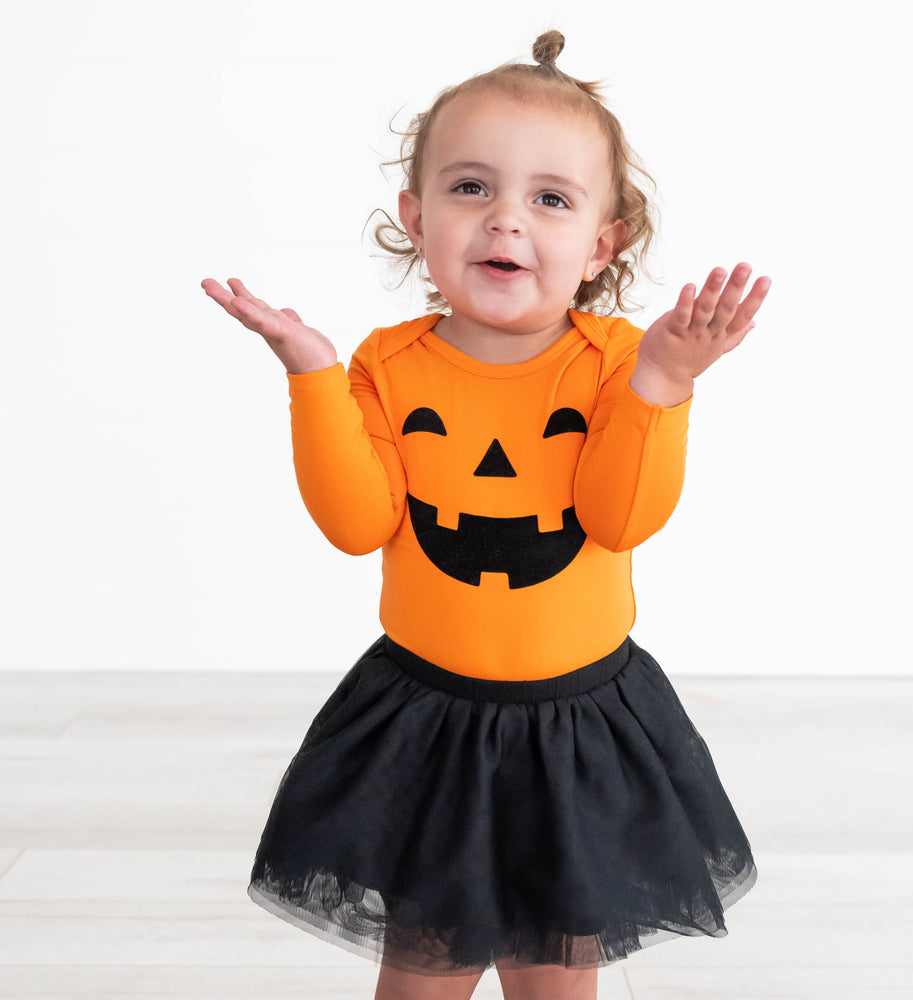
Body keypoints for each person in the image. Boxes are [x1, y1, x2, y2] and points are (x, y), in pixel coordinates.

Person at [203, 30, 769, 1000]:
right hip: (427, 727)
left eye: (548, 199)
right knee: (421, 979)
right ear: (416, 217)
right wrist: (313, 376)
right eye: (471, 189)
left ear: (601, 243)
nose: (506, 219)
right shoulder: (387, 364)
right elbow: (357, 520)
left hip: (578, 733)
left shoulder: (612, 363)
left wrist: (664, 382)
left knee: (555, 980)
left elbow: (616, 514)